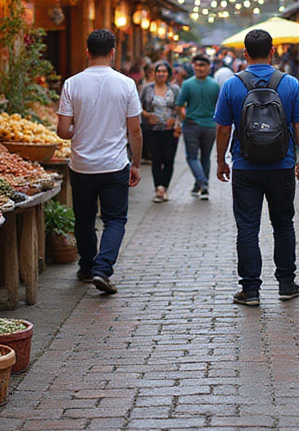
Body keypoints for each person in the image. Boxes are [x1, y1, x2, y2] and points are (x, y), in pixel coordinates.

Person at [214, 28, 299, 306]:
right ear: (273, 51)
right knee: (283, 224)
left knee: (247, 227)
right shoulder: (290, 83)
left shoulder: (232, 85)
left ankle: (251, 290)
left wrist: (221, 160)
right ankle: (287, 284)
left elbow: (222, 128)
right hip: (282, 165)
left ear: (245, 54)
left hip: (245, 166)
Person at [56, 29, 141, 295]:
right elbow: (135, 130)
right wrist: (136, 163)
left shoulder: (72, 83)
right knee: (115, 220)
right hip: (115, 164)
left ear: (87, 51)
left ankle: (86, 267)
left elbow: (62, 131)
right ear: (113, 52)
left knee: (83, 218)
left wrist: (77, 131)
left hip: (81, 164)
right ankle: (102, 269)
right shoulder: (126, 84)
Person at [176, 53, 220, 200]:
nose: (199, 68)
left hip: (194, 125)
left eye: (202, 65)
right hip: (208, 126)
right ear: (193, 66)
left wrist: (184, 117)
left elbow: (180, 105)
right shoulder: (212, 85)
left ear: (208, 67)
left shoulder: (189, 84)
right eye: (197, 65)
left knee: (193, 157)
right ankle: (201, 186)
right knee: (204, 158)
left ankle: (202, 183)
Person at [140, 60, 181, 202]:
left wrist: (177, 123)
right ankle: (158, 188)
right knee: (156, 159)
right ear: (154, 74)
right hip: (152, 130)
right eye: (158, 71)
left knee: (169, 159)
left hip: (170, 130)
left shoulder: (175, 89)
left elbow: (180, 108)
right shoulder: (147, 89)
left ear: (168, 74)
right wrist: (147, 115)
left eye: (164, 71)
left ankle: (165, 187)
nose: (161, 74)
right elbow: (139, 107)